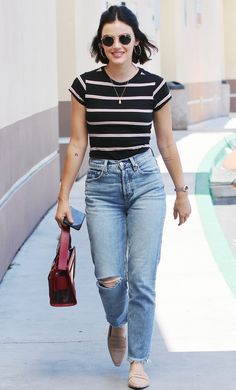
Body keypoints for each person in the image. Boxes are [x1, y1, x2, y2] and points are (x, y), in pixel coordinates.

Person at [55, 5, 191, 389]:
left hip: (146, 182)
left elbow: (165, 142)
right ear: (101, 44)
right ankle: (117, 323)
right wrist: (64, 197)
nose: (117, 45)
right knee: (110, 278)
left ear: (136, 41)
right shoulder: (84, 85)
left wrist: (181, 192)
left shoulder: (155, 85)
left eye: (124, 38)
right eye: (108, 39)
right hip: (101, 185)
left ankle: (138, 360)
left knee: (142, 278)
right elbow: (78, 144)